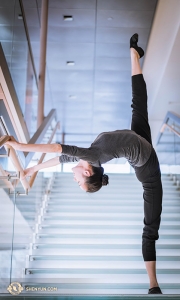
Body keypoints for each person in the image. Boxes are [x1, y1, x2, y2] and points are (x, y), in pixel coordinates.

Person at [4, 34, 162, 294]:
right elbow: (57, 149)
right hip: (148, 170)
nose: (74, 179)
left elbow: (61, 158)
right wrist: (20, 147)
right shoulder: (93, 156)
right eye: (78, 181)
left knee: (138, 105)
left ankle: (134, 54)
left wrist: (32, 168)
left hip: (140, 142)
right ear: (88, 172)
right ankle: (153, 284)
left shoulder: (89, 157)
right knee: (150, 227)